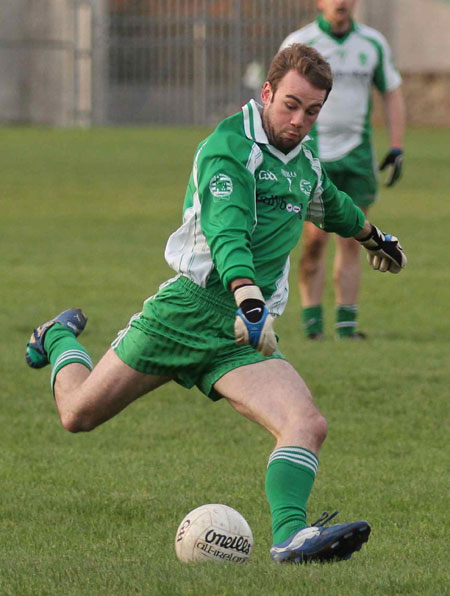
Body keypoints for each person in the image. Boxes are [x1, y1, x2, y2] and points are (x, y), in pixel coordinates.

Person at [25, 44, 406, 564]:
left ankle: (291, 536)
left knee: (306, 423)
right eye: (291, 105)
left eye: (312, 111)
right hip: (188, 311)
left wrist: (373, 236)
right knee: (77, 414)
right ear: (267, 92)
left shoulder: (303, 161)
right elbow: (227, 231)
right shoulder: (228, 148)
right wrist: (249, 295)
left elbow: (329, 203)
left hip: (241, 334)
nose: (299, 121)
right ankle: (58, 336)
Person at [280, 0, 405, 340]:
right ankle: (313, 327)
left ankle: (346, 329)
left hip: (357, 155)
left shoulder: (372, 43)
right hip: (312, 154)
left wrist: (397, 147)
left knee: (355, 237)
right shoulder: (300, 43)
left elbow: (391, 93)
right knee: (315, 240)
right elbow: (277, 98)